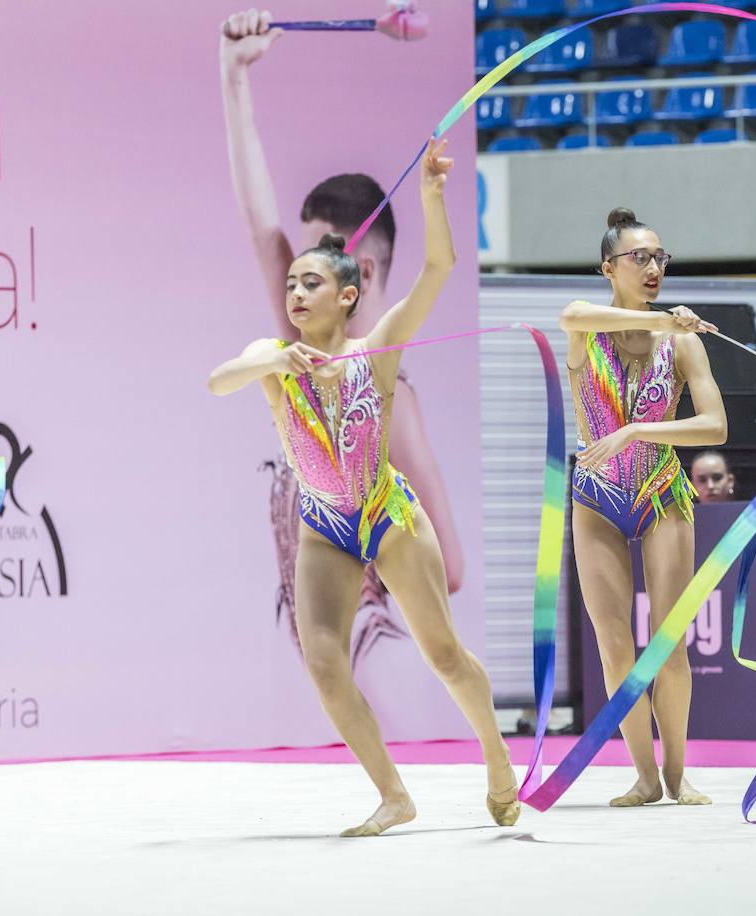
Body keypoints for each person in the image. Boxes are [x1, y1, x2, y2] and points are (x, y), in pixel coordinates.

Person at [208, 143, 520, 835]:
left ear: (348, 295)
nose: (295, 293)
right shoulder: (273, 356)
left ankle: (498, 758)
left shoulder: (374, 350)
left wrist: (434, 196)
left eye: (311, 282)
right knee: (323, 659)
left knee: (441, 652)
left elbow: (440, 269)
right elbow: (217, 381)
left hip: (388, 518)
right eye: (291, 282)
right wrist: (274, 358)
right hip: (325, 526)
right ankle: (393, 795)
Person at [219, 10, 465, 652]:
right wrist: (233, 75)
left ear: (362, 270)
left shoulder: (390, 403)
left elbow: (453, 569)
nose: (295, 281)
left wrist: (360, 551)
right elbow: (257, 220)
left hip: (370, 653)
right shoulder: (305, 344)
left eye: (313, 267)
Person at [562, 208, 727, 807]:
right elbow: (571, 314)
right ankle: (644, 775)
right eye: (641, 258)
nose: (654, 267)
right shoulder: (586, 327)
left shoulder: (681, 340)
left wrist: (637, 433)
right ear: (610, 267)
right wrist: (658, 318)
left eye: (661, 258)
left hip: (661, 491)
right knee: (614, 643)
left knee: (669, 641)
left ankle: (679, 772)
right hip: (600, 497)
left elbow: (715, 425)